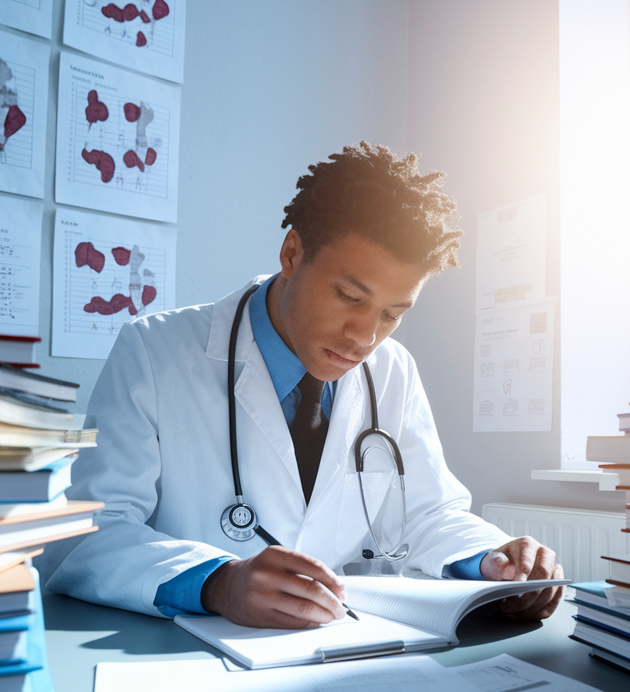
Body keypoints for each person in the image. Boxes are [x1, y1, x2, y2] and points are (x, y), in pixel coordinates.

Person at [40, 142, 565, 629]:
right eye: (348, 296)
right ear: (292, 253)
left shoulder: (393, 371)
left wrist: (496, 560)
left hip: (341, 651)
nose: (365, 337)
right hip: (188, 649)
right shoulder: (154, 350)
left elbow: (428, 513)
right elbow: (89, 533)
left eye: (392, 313)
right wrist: (218, 583)